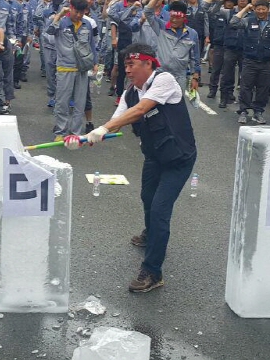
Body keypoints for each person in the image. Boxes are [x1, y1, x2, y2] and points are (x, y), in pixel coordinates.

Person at [64, 42, 196, 293]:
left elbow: (140, 110)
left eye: (131, 64)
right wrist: (93, 136)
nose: (127, 70)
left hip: (179, 158)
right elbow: (118, 119)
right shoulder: (129, 92)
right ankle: (151, 235)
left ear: (148, 63)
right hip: (155, 155)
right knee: (147, 198)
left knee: (159, 210)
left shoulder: (164, 80)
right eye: (125, 65)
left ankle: (153, 272)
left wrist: (101, 129)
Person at [47, 0, 96, 140]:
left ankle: (75, 133)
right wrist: (60, 15)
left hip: (82, 69)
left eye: (83, 12)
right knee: (62, 103)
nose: (80, 15)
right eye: (77, 12)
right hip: (65, 68)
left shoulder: (87, 24)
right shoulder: (61, 22)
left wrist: (94, 63)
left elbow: (92, 45)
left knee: (80, 103)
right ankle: (60, 132)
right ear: (71, 8)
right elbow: (49, 31)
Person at [235, 0, 270, 125]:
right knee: (246, 87)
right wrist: (245, 9)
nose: (261, 11)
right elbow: (233, 23)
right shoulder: (248, 20)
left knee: (263, 88)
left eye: (263, 9)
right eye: (258, 9)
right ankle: (243, 111)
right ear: (254, 9)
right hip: (249, 60)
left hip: (267, 61)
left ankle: (258, 112)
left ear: (268, 9)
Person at [143, 0, 201, 92]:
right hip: (160, 73)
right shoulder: (161, 27)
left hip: (179, 76)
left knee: (177, 104)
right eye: (171, 17)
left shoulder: (192, 34)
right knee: (157, 104)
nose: (173, 20)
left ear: (184, 18)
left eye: (177, 18)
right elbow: (148, 12)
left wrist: (195, 77)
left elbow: (195, 58)